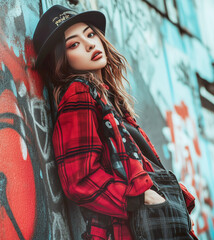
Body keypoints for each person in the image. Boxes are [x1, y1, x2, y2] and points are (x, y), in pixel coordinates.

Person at [33, 5, 198, 240]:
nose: (90, 44)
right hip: (127, 230)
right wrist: (139, 198)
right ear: (62, 59)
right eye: (74, 44)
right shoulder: (79, 93)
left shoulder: (109, 99)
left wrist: (172, 199)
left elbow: (143, 165)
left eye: (90, 34)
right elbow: (79, 179)